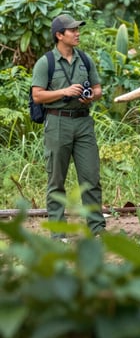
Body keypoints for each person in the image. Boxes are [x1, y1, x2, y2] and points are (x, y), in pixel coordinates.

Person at [31, 13, 106, 235]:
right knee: (56, 180)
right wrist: (64, 91)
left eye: (77, 30)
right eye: (72, 30)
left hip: (83, 123)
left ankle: (97, 229)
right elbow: (37, 96)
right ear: (59, 35)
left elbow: (99, 89)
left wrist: (90, 96)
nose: (77, 33)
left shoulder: (85, 59)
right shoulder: (46, 63)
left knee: (91, 178)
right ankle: (58, 233)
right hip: (57, 122)